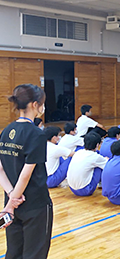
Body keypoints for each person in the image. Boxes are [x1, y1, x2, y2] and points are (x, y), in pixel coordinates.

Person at [0, 84, 52, 259]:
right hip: (34, 204)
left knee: (13, 252)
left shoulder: (6, 131)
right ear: (34, 105)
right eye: (42, 104)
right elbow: (26, 174)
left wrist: (10, 199)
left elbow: (0, 168)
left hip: (13, 202)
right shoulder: (36, 134)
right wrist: (12, 202)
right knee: (34, 253)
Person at [67, 132, 108, 196]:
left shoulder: (78, 152)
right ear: (97, 145)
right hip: (85, 190)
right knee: (99, 167)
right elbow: (107, 166)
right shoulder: (95, 157)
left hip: (72, 188)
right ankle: (102, 184)